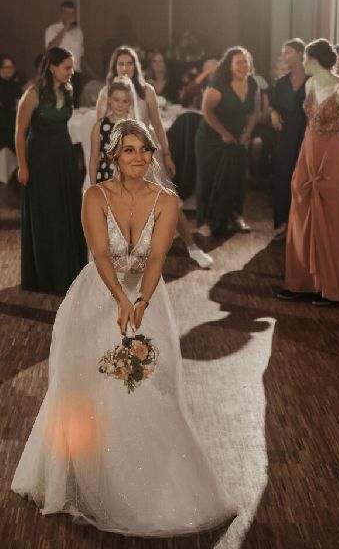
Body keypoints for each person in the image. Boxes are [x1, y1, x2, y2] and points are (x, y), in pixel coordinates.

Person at [11, 119, 236, 536]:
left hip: (146, 296)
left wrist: (142, 301)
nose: (139, 158)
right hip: (98, 296)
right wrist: (120, 299)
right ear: (114, 155)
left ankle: (142, 483)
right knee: (91, 388)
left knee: (149, 386)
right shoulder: (94, 196)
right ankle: (89, 478)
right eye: (129, 150)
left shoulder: (166, 200)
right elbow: (100, 254)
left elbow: (156, 259)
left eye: (145, 150)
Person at [96, 46, 213, 269]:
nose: (125, 67)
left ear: (136, 66)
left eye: (129, 63)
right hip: (121, 157)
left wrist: (166, 154)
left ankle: (193, 248)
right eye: (120, 63)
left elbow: (157, 125)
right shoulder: (106, 92)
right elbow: (102, 127)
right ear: (114, 67)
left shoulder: (146, 90)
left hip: (148, 153)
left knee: (170, 200)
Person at [277, 38, 339, 306]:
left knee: (331, 220)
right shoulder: (310, 84)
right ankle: (303, 283)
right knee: (302, 213)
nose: (302, 62)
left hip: (334, 156)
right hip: (309, 153)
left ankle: (332, 288)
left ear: (313, 60)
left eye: (304, 58)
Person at [15, 47, 87, 294]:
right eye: (67, 67)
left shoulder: (68, 90)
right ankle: (47, 276)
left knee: (66, 210)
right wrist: (23, 166)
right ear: (52, 68)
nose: (71, 72)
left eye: (71, 67)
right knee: (47, 213)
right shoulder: (32, 94)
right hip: (40, 160)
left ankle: (69, 271)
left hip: (64, 157)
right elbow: (20, 132)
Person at [195, 46, 260, 236]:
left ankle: (236, 216)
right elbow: (207, 110)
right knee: (209, 178)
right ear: (230, 65)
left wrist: (248, 132)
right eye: (238, 62)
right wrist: (223, 133)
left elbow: (254, 111)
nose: (243, 65)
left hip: (238, 137)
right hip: (211, 138)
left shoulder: (253, 83)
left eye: (245, 61)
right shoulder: (219, 83)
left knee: (237, 178)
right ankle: (204, 221)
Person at [269, 38, 307, 237]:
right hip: (285, 134)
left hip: (306, 133)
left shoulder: (312, 80)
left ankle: (302, 226)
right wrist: (273, 113)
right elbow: (273, 105)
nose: (284, 56)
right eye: (283, 53)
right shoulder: (281, 83)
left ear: (300, 53)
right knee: (283, 176)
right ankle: (282, 222)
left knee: (303, 178)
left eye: (288, 52)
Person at [89, 78, 133, 184]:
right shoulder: (99, 126)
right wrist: (93, 187)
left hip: (128, 178)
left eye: (124, 101)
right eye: (116, 100)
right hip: (105, 176)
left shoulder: (133, 127)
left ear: (129, 103)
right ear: (109, 100)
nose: (120, 105)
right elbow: (94, 159)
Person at [45, 0, 87, 105]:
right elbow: (50, 48)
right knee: (60, 104)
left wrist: (85, 74)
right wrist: (65, 28)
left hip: (76, 74)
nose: (69, 16)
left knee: (75, 104)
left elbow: (81, 55)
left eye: (72, 13)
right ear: (61, 13)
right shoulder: (52, 29)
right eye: (66, 13)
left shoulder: (78, 32)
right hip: (59, 74)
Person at [0, 53, 22, 151]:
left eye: (12, 67)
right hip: (3, 127)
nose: (10, 70)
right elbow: (7, 103)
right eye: (7, 67)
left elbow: (19, 103)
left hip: (13, 124)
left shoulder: (14, 84)